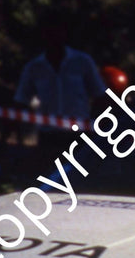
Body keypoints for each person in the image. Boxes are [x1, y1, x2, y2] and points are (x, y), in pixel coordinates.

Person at [13, 13, 106, 175]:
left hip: (79, 134)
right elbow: (21, 101)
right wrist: (15, 139)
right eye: (49, 33)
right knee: (51, 179)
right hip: (49, 136)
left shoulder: (82, 62)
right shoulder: (34, 67)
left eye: (57, 32)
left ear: (64, 34)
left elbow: (101, 96)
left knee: (78, 179)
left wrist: (95, 127)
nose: (54, 37)